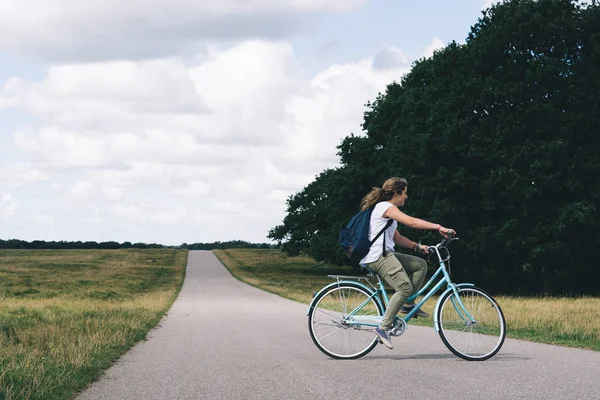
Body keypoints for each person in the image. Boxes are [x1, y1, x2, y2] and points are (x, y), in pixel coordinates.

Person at [358, 177, 456, 350]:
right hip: (378, 256)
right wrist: (438, 227)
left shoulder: (387, 212)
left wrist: (417, 247)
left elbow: (397, 238)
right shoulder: (386, 207)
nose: (406, 196)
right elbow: (411, 222)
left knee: (420, 265)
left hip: (386, 254)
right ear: (396, 193)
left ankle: (408, 304)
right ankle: (383, 328)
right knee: (404, 287)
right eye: (405, 193)